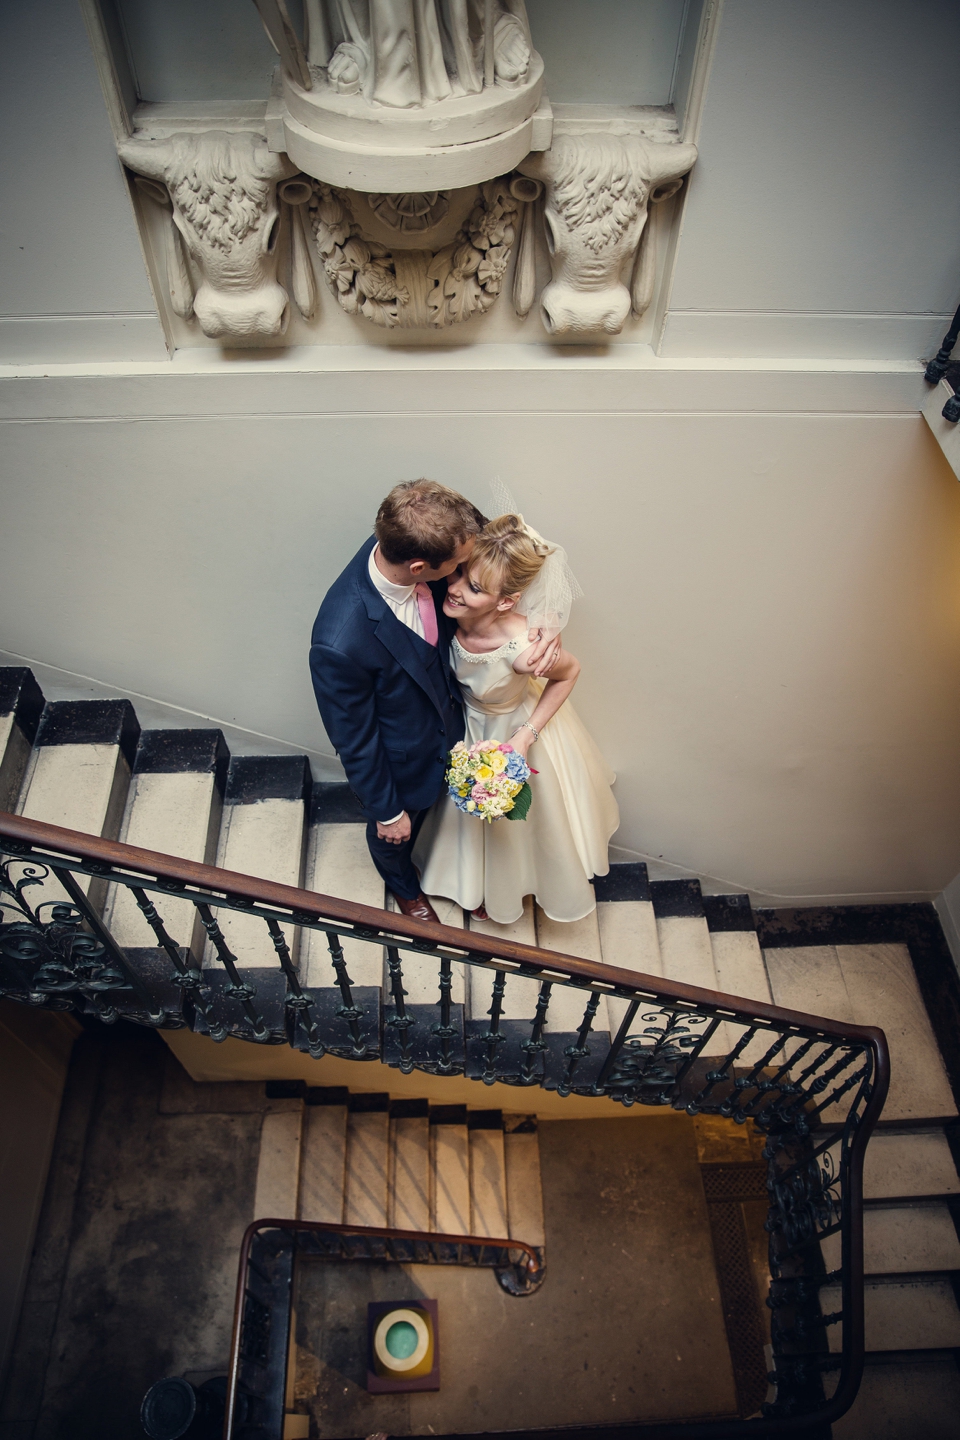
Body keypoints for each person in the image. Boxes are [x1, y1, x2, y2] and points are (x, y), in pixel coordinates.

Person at [309, 480, 559, 922]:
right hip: (404, 755)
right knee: (397, 835)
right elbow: (355, 740)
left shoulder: (422, 531)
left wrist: (543, 622)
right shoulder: (339, 642)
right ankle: (406, 890)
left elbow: (505, 565)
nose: (463, 576)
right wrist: (387, 813)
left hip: (465, 723)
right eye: (459, 568)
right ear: (422, 567)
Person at [414, 511, 619, 924]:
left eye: (471, 588)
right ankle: (467, 880)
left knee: (514, 824)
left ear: (506, 601)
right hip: (466, 727)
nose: (452, 589)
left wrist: (525, 737)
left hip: (509, 727)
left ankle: (505, 888)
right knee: (460, 811)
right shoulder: (447, 602)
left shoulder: (526, 650)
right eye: (458, 576)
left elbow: (569, 672)